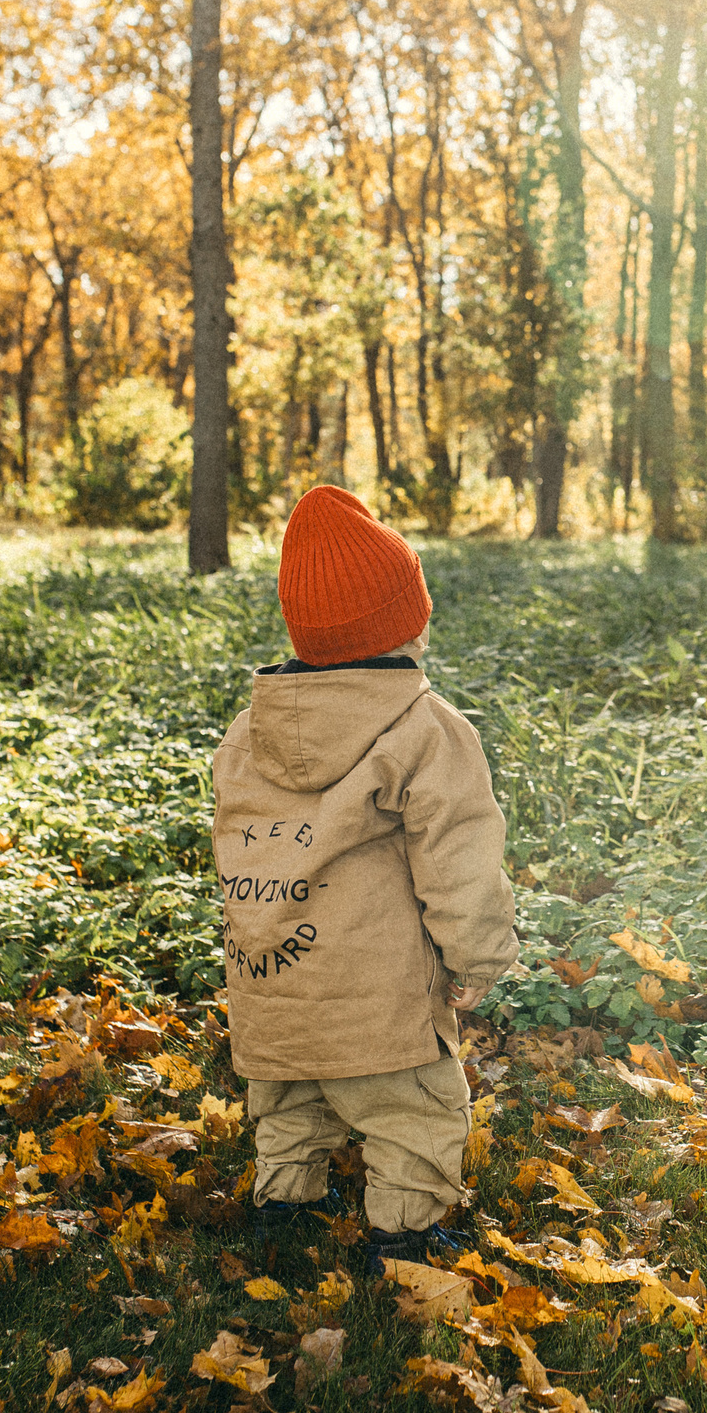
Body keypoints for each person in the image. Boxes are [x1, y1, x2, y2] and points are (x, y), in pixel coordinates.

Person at [211, 485, 516, 1270]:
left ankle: (285, 1205)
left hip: (273, 985)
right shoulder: (426, 729)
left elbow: (242, 841)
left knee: (288, 1102)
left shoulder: (249, 731)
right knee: (413, 1111)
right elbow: (459, 858)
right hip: (379, 1003)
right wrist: (475, 957)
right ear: (406, 622)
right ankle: (406, 1233)